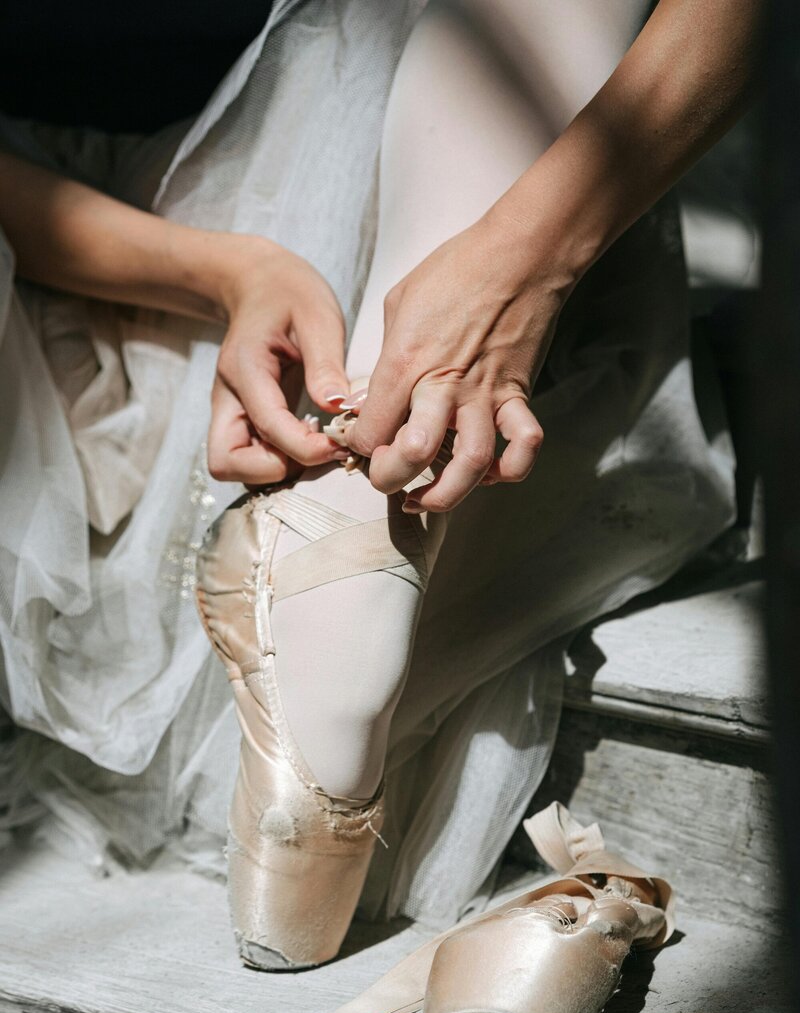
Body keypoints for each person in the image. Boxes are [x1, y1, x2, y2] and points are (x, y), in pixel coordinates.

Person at [0, 0, 756, 943]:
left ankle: (347, 525)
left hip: (442, 178)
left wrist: (519, 270)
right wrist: (227, 273)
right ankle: (349, 559)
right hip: (76, 261)